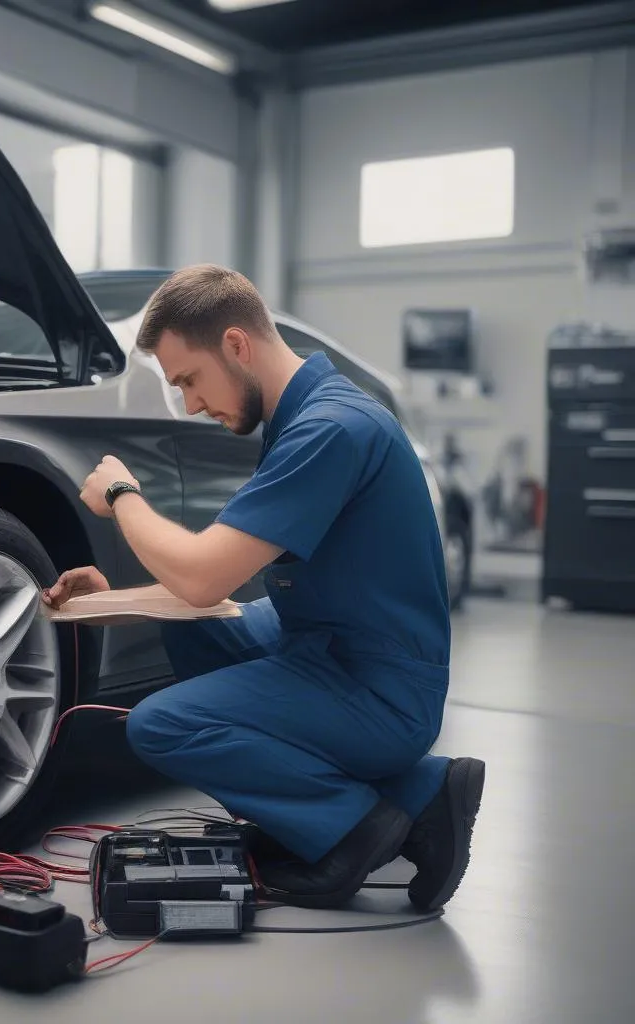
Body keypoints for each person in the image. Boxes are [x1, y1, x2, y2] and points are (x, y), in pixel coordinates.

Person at [42, 265, 484, 912]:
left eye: (188, 380)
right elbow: (209, 585)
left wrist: (121, 495)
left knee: (161, 726)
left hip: (379, 688)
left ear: (236, 345)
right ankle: (420, 793)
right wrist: (112, 600)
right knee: (193, 627)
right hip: (330, 645)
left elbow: (201, 576)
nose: (190, 403)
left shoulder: (330, 430)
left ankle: (353, 831)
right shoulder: (300, 419)